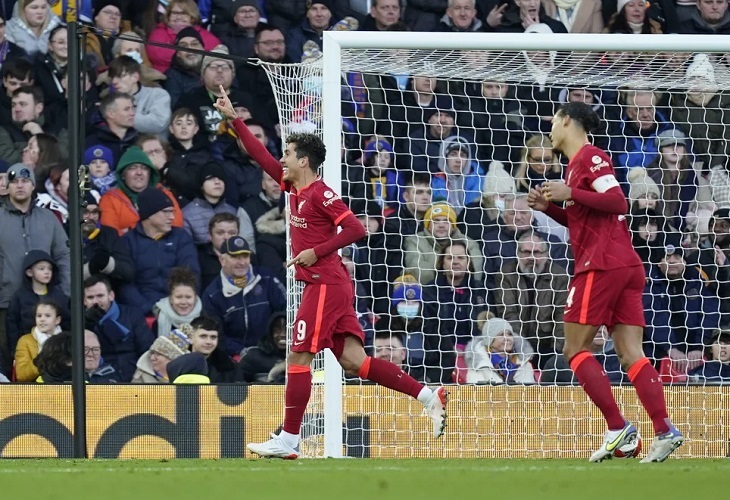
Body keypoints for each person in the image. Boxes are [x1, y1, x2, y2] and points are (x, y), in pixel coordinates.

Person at [214, 87, 448, 459]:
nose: (282, 159)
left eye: (288, 154)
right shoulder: (293, 187)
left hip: (325, 284)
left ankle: (288, 440)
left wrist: (314, 251)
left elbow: (355, 229)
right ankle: (427, 395)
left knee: (298, 357)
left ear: (304, 160)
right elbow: (258, 155)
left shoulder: (321, 194)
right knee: (355, 363)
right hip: (330, 285)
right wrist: (234, 119)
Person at [527, 101, 683, 462]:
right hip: (623, 264)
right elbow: (585, 220)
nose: (550, 129)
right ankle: (664, 429)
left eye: (553, 121)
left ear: (567, 121)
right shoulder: (573, 168)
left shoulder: (590, 156)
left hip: (601, 265)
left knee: (574, 349)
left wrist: (570, 195)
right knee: (631, 355)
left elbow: (617, 202)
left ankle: (618, 428)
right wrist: (549, 208)